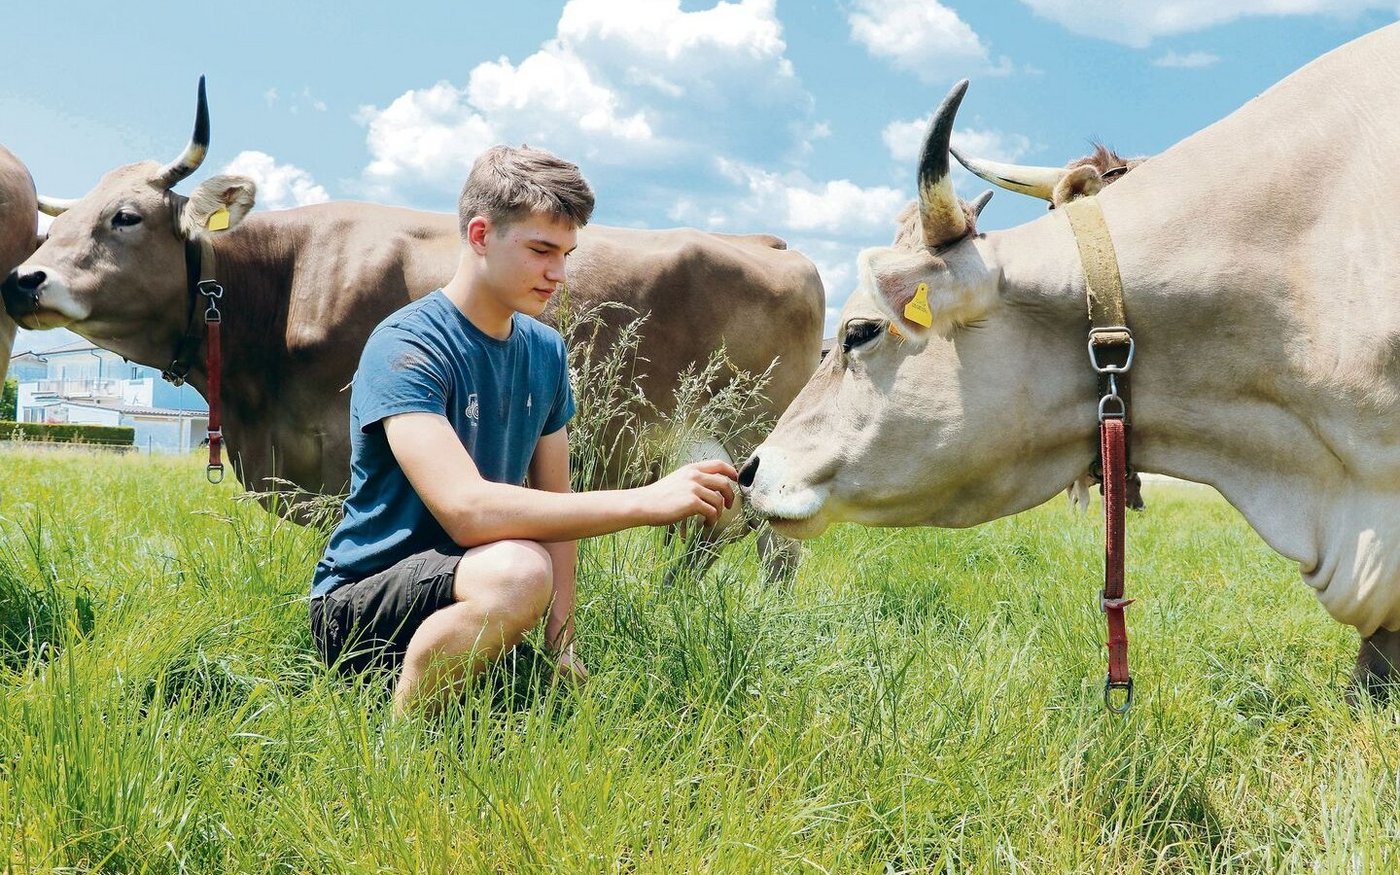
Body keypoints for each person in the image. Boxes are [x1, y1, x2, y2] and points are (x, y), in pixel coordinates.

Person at [308, 145, 738, 715]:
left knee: (520, 569)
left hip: (476, 592)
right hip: (364, 605)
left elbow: (553, 507)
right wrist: (649, 500)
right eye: (541, 250)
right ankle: (403, 745)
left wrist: (561, 645)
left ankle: (464, 687)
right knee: (518, 570)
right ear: (481, 235)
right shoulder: (407, 345)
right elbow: (466, 510)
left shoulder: (545, 351)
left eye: (566, 253)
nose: (558, 273)